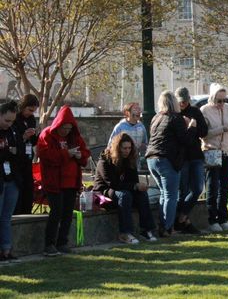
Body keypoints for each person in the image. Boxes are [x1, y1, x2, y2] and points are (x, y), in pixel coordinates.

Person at [38, 105, 90, 256]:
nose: (66, 131)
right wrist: (67, 154)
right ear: (58, 125)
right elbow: (47, 156)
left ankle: (62, 242)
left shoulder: (74, 137)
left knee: (67, 213)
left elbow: (85, 152)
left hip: (71, 182)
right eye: (63, 128)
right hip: (54, 181)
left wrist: (81, 157)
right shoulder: (47, 135)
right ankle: (49, 244)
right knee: (56, 212)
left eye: (68, 128)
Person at [146, 91, 197, 237]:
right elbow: (185, 140)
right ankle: (167, 228)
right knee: (171, 195)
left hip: (152, 159)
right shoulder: (176, 118)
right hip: (167, 159)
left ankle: (163, 226)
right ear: (174, 102)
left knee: (164, 193)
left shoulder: (156, 117)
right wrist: (192, 126)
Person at [93, 133, 157, 244]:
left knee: (142, 195)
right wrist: (134, 186)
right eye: (124, 148)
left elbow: (133, 181)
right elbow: (112, 184)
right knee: (124, 195)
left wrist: (138, 186)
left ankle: (146, 230)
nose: (127, 151)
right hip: (104, 193)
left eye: (129, 148)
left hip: (123, 190)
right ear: (118, 148)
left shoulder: (129, 159)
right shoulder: (105, 160)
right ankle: (125, 233)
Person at [200, 83, 228, 232]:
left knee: (224, 187)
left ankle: (223, 218)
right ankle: (212, 220)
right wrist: (222, 129)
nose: (222, 103)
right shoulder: (204, 111)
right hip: (212, 151)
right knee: (212, 187)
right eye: (219, 100)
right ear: (212, 98)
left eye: (224, 100)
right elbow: (203, 134)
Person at [175, 87, 208, 234]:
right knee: (183, 190)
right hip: (182, 157)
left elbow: (204, 132)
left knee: (198, 189)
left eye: (185, 101)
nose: (183, 104)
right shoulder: (174, 113)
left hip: (195, 155)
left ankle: (182, 216)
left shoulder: (195, 111)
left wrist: (193, 124)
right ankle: (183, 222)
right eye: (180, 102)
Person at [0, 101, 23, 263]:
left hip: (12, 179)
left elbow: (19, 152)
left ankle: (7, 250)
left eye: (12, 121)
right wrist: (9, 151)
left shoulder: (13, 131)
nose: (9, 124)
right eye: (6, 120)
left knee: (6, 216)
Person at [13, 94, 39, 215]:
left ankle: (27, 211)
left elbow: (34, 141)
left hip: (27, 158)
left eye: (33, 111)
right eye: (29, 110)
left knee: (28, 187)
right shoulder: (14, 118)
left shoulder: (31, 119)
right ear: (23, 106)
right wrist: (23, 137)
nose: (30, 113)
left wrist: (34, 135)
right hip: (16, 158)